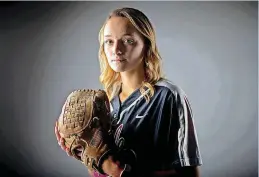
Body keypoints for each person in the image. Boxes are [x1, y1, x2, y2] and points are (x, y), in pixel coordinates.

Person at [55, 7, 202, 177]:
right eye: (109, 41)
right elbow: (104, 171)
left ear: (146, 45)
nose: (116, 49)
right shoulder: (105, 103)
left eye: (128, 41)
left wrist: (120, 172)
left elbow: (190, 174)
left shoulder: (167, 96)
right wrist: (88, 155)